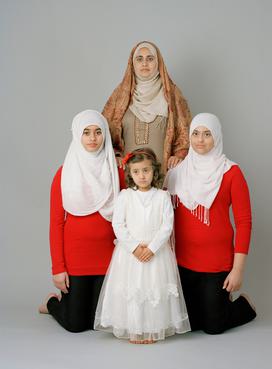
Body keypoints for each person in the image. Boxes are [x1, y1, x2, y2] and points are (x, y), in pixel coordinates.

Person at [165, 113, 257, 334]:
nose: (200, 140)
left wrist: (237, 270)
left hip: (217, 263)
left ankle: (245, 304)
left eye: (207, 134)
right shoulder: (177, 172)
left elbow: (244, 222)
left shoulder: (231, 172)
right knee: (188, 325)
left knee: (213, 327)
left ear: (216, 136)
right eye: (195, 134)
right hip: (183, 262)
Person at [94, 148, 190, 343]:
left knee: (154, 289)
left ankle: (152, 329)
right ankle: (134, 328)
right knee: (133, 290)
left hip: (156, 253)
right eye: (136, 171)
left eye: (146, 170)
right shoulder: (125, 196)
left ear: (154, 171)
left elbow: (166, 226)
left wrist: (152, 248)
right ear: (129, 173)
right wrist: (135, 248)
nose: (142, 175)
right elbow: (118, 225)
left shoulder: (162, 197)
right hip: (130, 253)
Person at [38, 110, 120, 333]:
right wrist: (58, 268)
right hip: (76, 259)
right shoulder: (63, 174)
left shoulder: (116, 171)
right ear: (77, 135)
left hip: (108, 259)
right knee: (76, 325)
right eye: (86, 132)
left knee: (100, 323)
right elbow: (56, 224)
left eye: (97, 132)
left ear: (105, 135)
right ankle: (52, 303)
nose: (92, 138)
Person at [102, 41, 192, 173]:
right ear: (133, 63)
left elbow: (186, 134)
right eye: (139, 59)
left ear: (158, 63)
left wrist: (179, 156)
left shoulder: (172, 94)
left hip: (163, 175)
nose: (144, 63)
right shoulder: (120, 95)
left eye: (150, 58)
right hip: (127, 176)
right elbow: (102, 133)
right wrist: (115, 155)